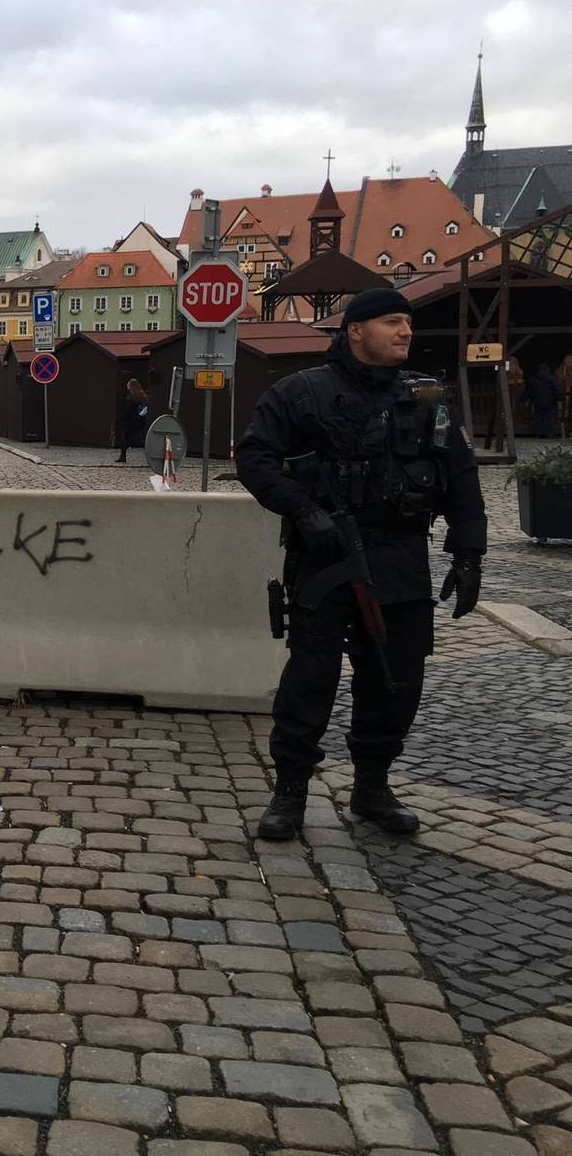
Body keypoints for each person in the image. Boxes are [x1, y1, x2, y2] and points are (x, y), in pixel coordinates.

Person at [236, 288, 486, 841]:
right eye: (392, 322)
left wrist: (469, 554)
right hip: (326, 560)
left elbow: (461, 479)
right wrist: (303, 510)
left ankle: (373, 786)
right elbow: (255, 457)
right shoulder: (301, 393)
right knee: (310, 678)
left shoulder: (427, 398)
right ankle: (290, 792)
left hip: (400, 560)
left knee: (396, 681)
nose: (406, 332)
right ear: (355, 330)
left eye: (408, 324)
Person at [525, 363, 565, 439]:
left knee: (538, 417)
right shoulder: (551, 379)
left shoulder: (533, 379)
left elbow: (529, 390)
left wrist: (529, 398)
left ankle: (538, 434)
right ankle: (550, 434)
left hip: (537, 401)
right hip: (550, 401)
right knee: (550, 417)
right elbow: (557, 390)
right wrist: (559, 398)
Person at [116, 378, 149, 462]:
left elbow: (128, 410)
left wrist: (122, 419)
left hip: (129, 421)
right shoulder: (143, 396)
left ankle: (122, 457)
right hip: (139, 421)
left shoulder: (130, 397)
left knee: (124, 439)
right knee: (138, 438)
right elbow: (145, 409)